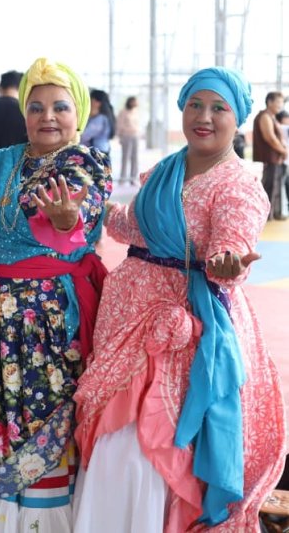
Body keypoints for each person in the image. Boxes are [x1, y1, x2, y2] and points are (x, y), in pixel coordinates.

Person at [73, 67, 286, 531]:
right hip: (127, 315)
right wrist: (93, 209)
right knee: (114, 438)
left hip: (182, 327)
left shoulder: (238, 185)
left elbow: (228, 245)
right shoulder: (167, 169)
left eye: (218, 108)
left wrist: (227, 263)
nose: (203, 117)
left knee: (149, 444)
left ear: (238, 118)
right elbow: (131, 226)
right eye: (194, 104)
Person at [0, 57, 111, 532]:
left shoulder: (85, 161)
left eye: (60, 107)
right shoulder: (0, 161)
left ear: (79, 115)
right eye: (36, 106)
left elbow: (72, 223)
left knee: (41, 418)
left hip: (44, 321)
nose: (48, 116)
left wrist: (66, 222)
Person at [252, 91, 286, 221]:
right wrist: (283, 151)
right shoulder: (265, 116)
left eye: (281, 102)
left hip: (275, 158)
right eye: (278, 102)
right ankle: (266, 215)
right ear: (269, 102)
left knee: (275, 186)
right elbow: (270, 138)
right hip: (269, 158)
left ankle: (273, 213)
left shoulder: (272, 117)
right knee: (269, 186)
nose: (280, 105)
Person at [81, 88, 116, 156]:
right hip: (103, 149)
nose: (89, 103)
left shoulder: (99, 119)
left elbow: (85, 136)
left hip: (98, 152)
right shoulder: (105, 116)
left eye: (91, 100)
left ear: (97, 102)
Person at [116, 95, 141, 184]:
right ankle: (122, 179)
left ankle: (133, 178)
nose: (136, 103)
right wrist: (120, 137)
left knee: (135, 158)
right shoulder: (123, 112)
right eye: (134, 101)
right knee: (125, 157)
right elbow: (119, 125)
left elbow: (138, 125)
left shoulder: (136, 112)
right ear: (130, 102)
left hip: (135, 136)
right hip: (126, 136)